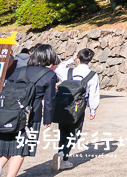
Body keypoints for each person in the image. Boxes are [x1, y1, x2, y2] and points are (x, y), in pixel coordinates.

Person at [0, 44, 58, 177]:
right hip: (31, 117)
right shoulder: (49, 75)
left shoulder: (20, 70)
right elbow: (49, 100)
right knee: (20, 149)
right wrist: (48, 119)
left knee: (7, 147)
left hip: (9, 114)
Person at [51, 48, 100, 172]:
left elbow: (57, 68)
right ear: (89, 60)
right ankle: (62, 154)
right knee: (75, 134)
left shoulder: (68, 72)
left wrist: (70, 59)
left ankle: (64, 160)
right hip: (79, 107)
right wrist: (92, 110)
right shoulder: (92, 75)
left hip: (63, 106)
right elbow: (94, 94)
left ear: (78, 59)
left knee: (63, 133)